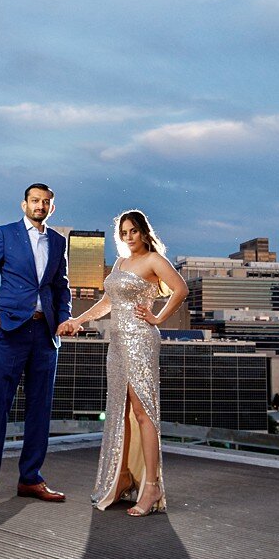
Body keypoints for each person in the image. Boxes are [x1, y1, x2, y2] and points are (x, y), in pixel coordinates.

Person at [62, 209, 188, 516]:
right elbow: (108, 302)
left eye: (133, 231)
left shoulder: (154, 260)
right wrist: (79, 319)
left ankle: (152, 486)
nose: (128, 237)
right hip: (117, 343)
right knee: (121, 410)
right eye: (124, 232)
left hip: (141, 340)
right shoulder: (120, 263)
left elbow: (181, 289)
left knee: (143, 411)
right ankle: (122, 479)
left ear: (144, 232)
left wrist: (157, 317)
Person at [0, 182, 74, 507]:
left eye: (46, 202)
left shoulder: (57, 242)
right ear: (24, 204)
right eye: (35, 200)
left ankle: (30, 479)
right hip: (10, 331)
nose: (40, 206)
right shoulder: (5, 234)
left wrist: (65, 317)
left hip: (45, 335)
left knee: (39, 409)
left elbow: (60, 287)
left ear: (52, 208)